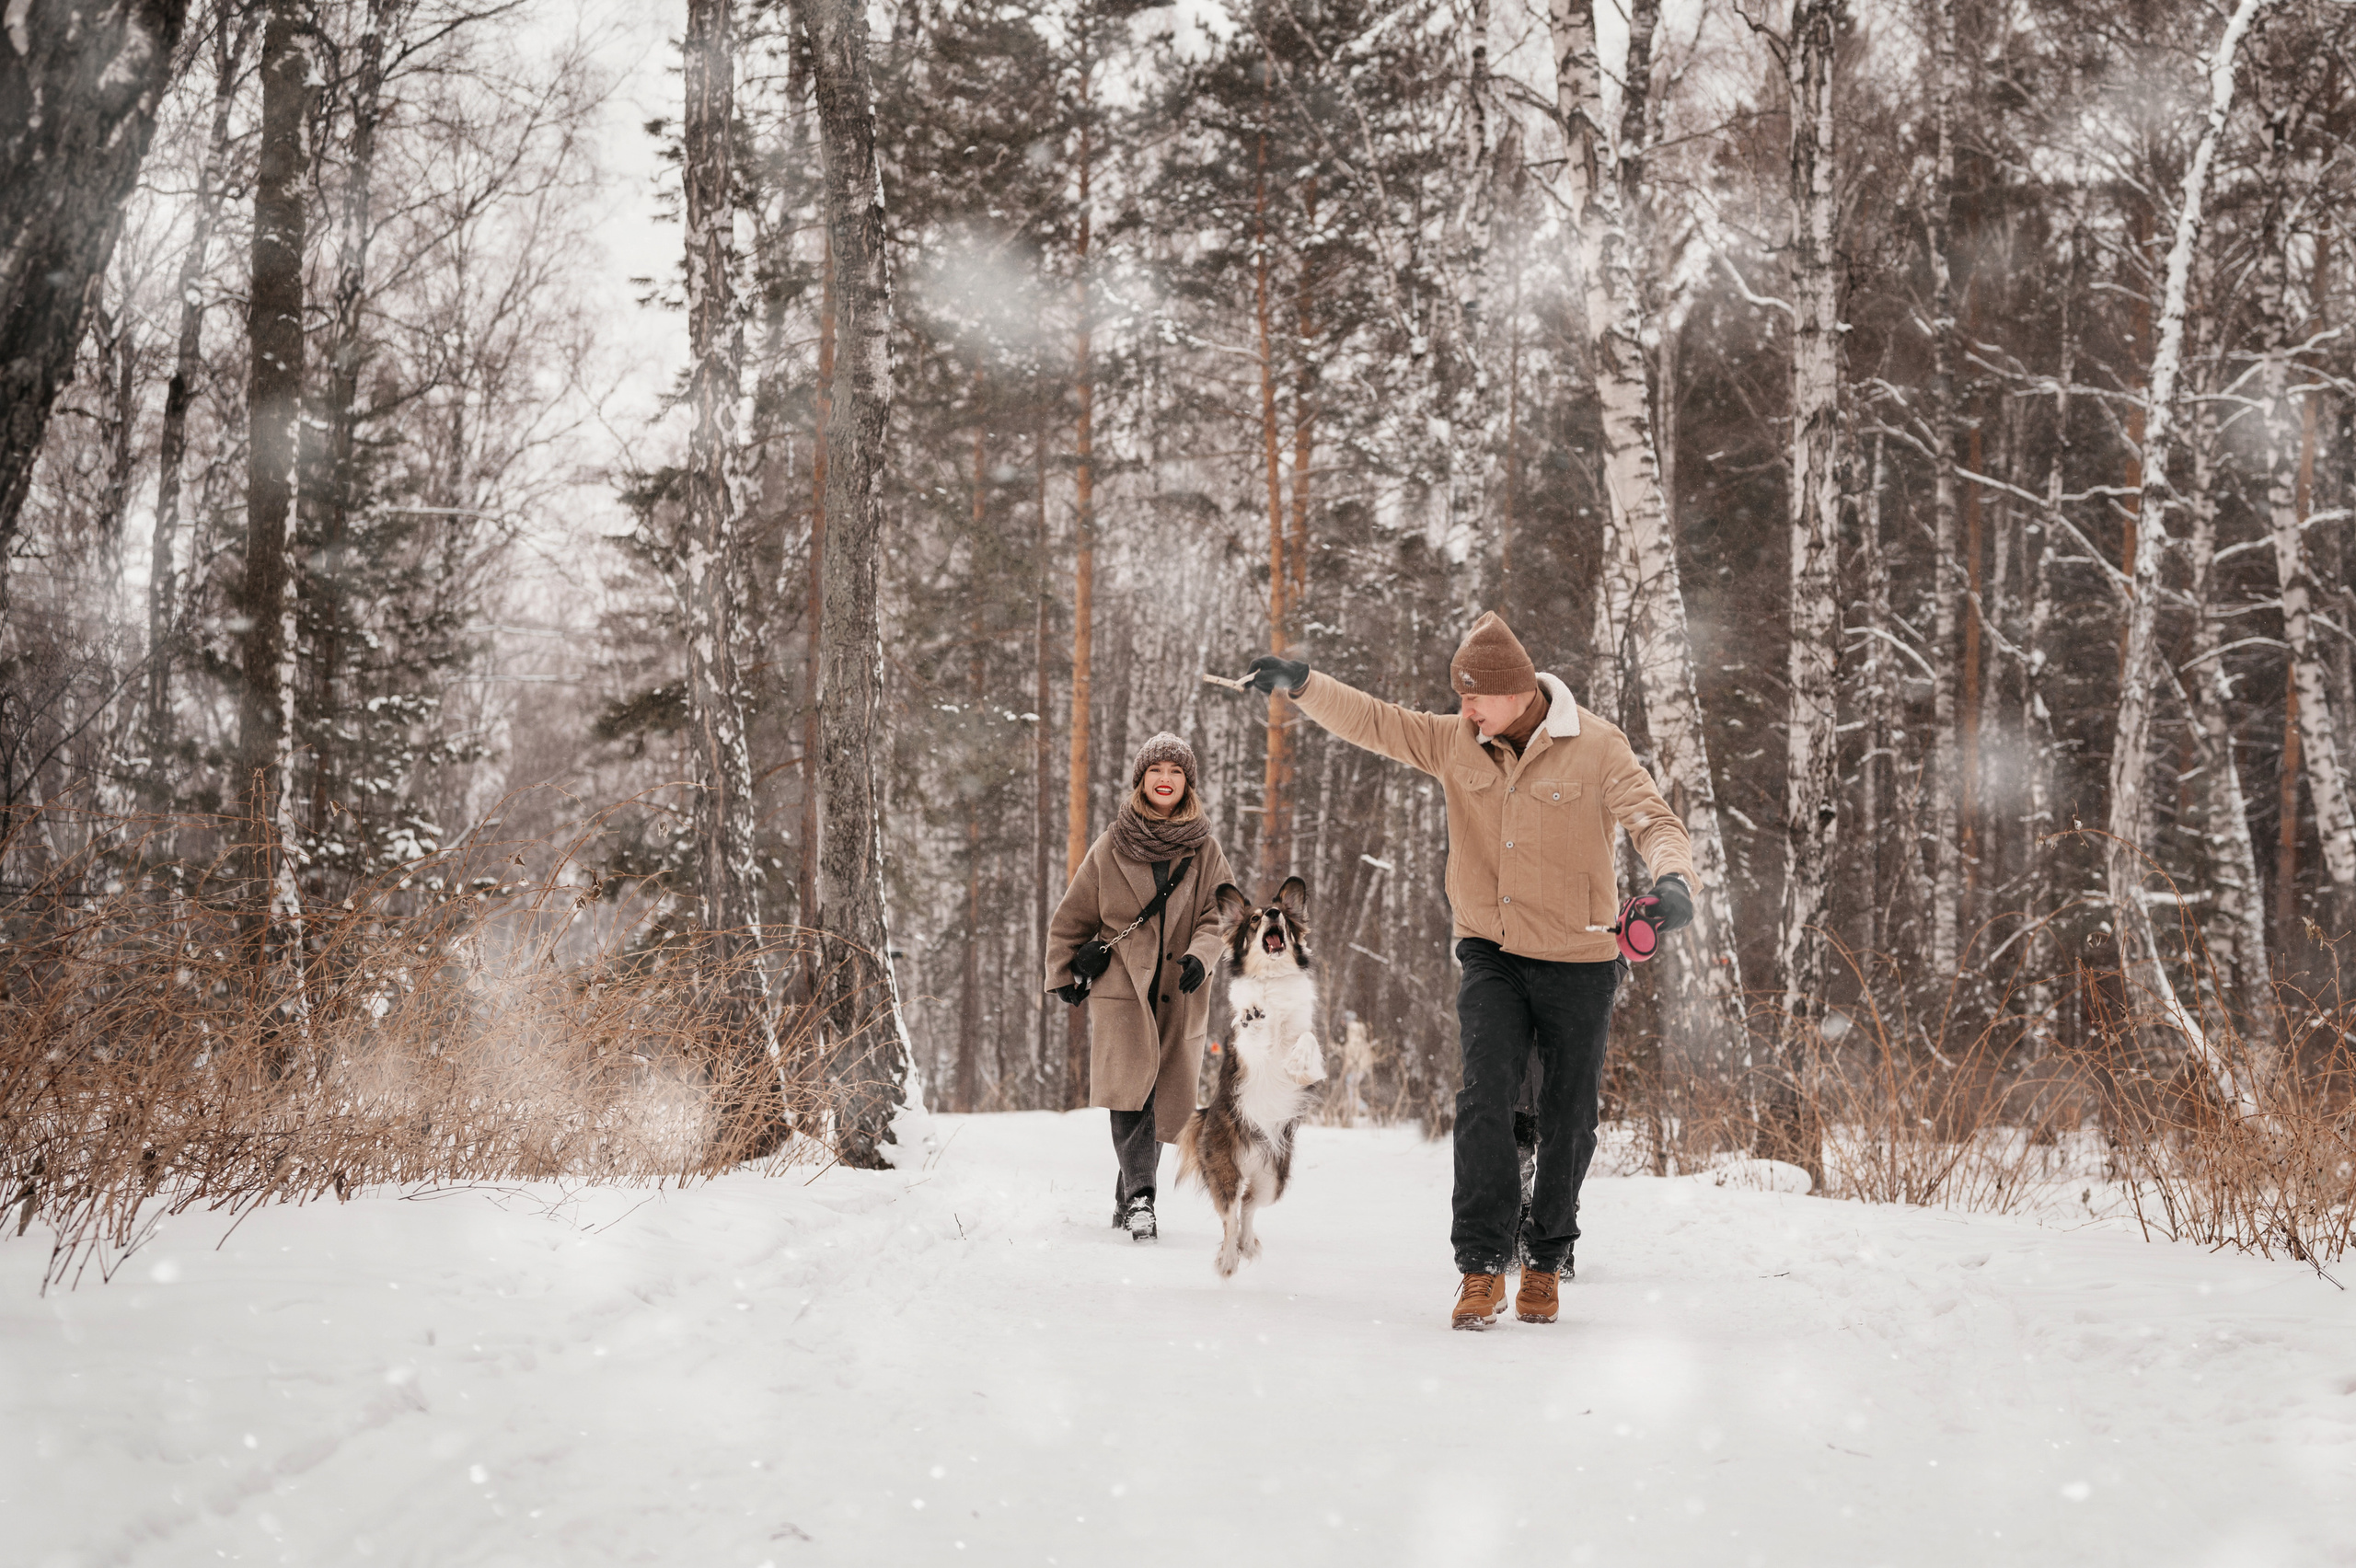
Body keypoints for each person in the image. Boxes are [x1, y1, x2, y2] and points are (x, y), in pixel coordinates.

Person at [1242, 613, 1696, 1330]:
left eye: (1475, 698)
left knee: (1569, 1117)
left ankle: (1545, 1258)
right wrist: (1303, 684)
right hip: (1492, 951)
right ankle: (1481, 1267)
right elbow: (1377, 722)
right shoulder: (1459, 742)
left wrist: (1672, 883)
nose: (1465, 711)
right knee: (1484, 1099)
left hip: (1581, 957)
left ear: (1516, 692)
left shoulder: (1596, 746)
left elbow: (1654, 820)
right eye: (1461, 700)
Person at [1043, 732, 1237, 1241]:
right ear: (1141, 780)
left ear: (1187, 783)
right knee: (1131, 1095)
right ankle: (1141, 1201)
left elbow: (1222, 914)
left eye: (1175, 771)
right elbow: (1073, 917)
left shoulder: (1205, 848)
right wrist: (1065, 971)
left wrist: (1203, 954)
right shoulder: (1111, 845)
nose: (1165, 780)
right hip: (1122, 989)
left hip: (1179, 989)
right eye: (1156, 771)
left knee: (1159, 1098)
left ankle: (1128, 1193)